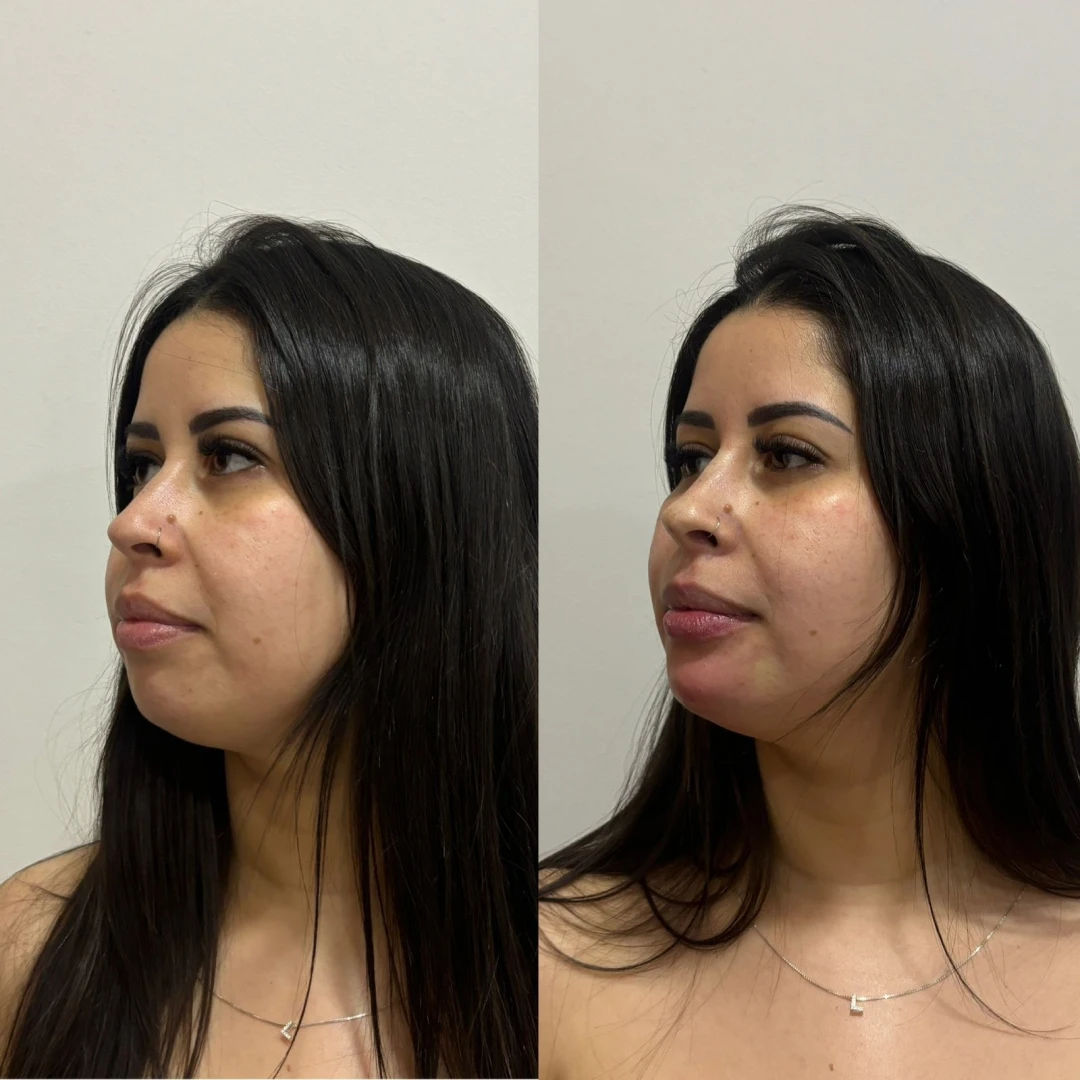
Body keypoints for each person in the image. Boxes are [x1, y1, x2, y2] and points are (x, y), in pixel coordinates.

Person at [539, 206, 1080, 1078]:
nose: (687, 510)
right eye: (690, 459)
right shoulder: (548, 969)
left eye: (785, 455)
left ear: (965, 522)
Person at [0, 215, 538, 1079]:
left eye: (228, 457)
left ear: (412, 522)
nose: (133, 521)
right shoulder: (29, 956)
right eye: (142, 465)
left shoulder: (566, 992)